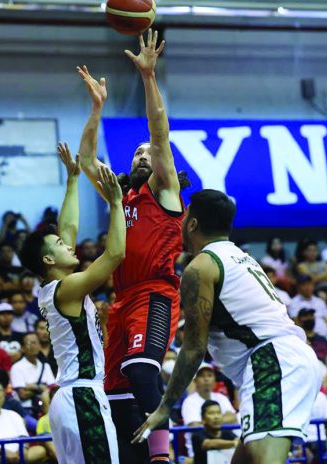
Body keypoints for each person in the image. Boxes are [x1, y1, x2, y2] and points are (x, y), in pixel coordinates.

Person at [134, 189, 320, 464]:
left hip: (272, 361)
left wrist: (164, 408)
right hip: (288, 357)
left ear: (192, 223)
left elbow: (194, 348)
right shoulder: (239, 256)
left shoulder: (201, 268)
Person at [77, 29, 188, 463]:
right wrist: (96, 107)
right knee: (117, 393)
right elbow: (87, 161)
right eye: (137, 153)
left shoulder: (164, 192)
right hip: (121, 301)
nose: (144, 155)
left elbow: (159, 135)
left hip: (155, 293)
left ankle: (164, 455)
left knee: (142, 368)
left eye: (149, 153)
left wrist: (147, 77)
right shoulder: (119, 197)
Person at [19, 141, 124, 464]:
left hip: (72, 397)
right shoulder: (66, 288)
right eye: (61, 246)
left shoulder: (56, 286)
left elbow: (67, 227)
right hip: (81, 396)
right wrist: (116, 204)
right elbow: (116, 254)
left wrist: (73, 180)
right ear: (49, 258)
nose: (69, 244)